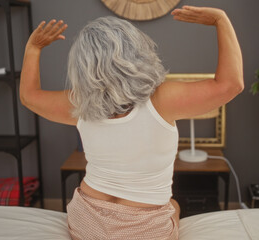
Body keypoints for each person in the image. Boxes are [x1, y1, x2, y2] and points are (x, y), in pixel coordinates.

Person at [20, 5, 243, 240]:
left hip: (86, 221)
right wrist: (221, 20)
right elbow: (231, 85)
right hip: (143, 230)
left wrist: (33, 48)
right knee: (174, 205)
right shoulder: (161, 99)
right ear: (136, 52)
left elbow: (28, 96)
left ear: (82, 66)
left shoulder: (79, 104)